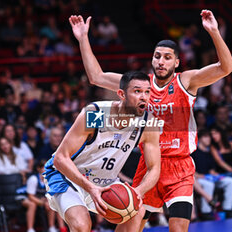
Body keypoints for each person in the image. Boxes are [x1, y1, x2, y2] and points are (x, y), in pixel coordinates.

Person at [69, 9, 232, 231]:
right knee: (129, 228)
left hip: (180, 166)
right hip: (148, 165)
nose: (161, 62)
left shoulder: (186, 81)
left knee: (178, 228)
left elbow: (226, 68)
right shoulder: (138, 86)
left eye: (167, 57)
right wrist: (83, 39)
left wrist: (214, 32)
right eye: (157, 56)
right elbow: (96, 77)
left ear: (176, 62)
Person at [43, 71, 161, 232]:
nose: (144, 97)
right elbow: (60, 158)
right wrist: (90, 188)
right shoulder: (96, 113)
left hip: (105, 182)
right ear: (121, 94)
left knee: (136, 211)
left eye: (147, 92)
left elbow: (154, 168)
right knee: (81, 225)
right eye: (137, 91)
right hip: (67, 176)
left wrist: (138, 191)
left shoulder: (148, 123)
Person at [191, 129, 232, 220]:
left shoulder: (209, 152)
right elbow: (192, 171)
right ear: (200, 138)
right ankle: (206, 212)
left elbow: (211, 170)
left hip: (209, 178)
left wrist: (217, 176)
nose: (208, 139)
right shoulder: (194, 152)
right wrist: (202, 176)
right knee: (209, 185)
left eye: (209, 137)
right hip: (199, 179)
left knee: (230, 181)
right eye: (205, 137)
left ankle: (228, 209)